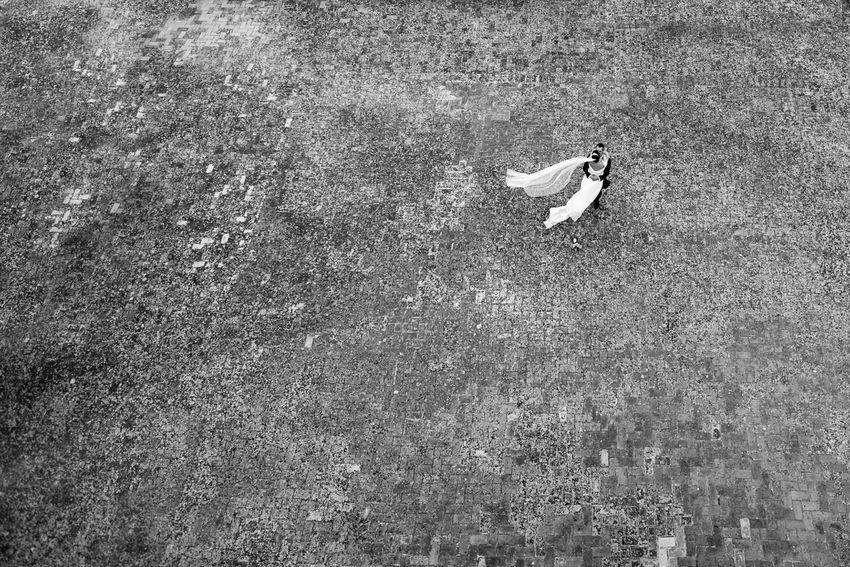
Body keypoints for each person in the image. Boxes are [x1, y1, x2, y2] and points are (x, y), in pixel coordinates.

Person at [541, 149, 607, 229]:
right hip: (596, 183)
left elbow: (586, 168)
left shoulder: (589, 161)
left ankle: (574, 207)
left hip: (587, 180)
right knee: (588, 196)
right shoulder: (602, 164)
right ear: (599, 158)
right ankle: (577, 208)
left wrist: (590, 174)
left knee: (582, 194)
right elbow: (605, 170)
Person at [582, 143, 611, 209]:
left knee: (597, 192)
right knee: (586, 190)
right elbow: (585, 168)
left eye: (600, 151)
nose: (597, 153)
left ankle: (596, 201)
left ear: (603, 151)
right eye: (597, 150)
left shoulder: (607, 159)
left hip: (598, 180)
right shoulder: (591, 156)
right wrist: (589, 175)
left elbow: (607, 172)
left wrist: (598, 177)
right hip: (589, 178)